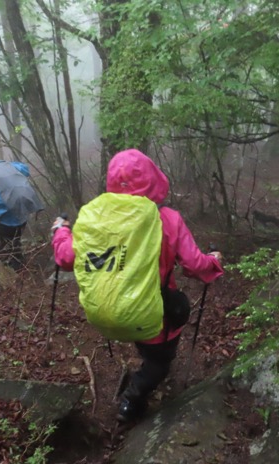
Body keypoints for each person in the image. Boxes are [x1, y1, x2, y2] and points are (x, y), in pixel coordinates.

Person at [52, 149, 224, 422]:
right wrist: (214, 261)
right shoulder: (166, 218)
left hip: (108, 310)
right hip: (154, 313)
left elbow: (65, 258)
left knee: (145, 343)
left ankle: (143, 361)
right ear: (153, 179)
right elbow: (194, 265)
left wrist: (61, 230)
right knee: (160, 361)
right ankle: (132, 400)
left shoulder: (97, 219)